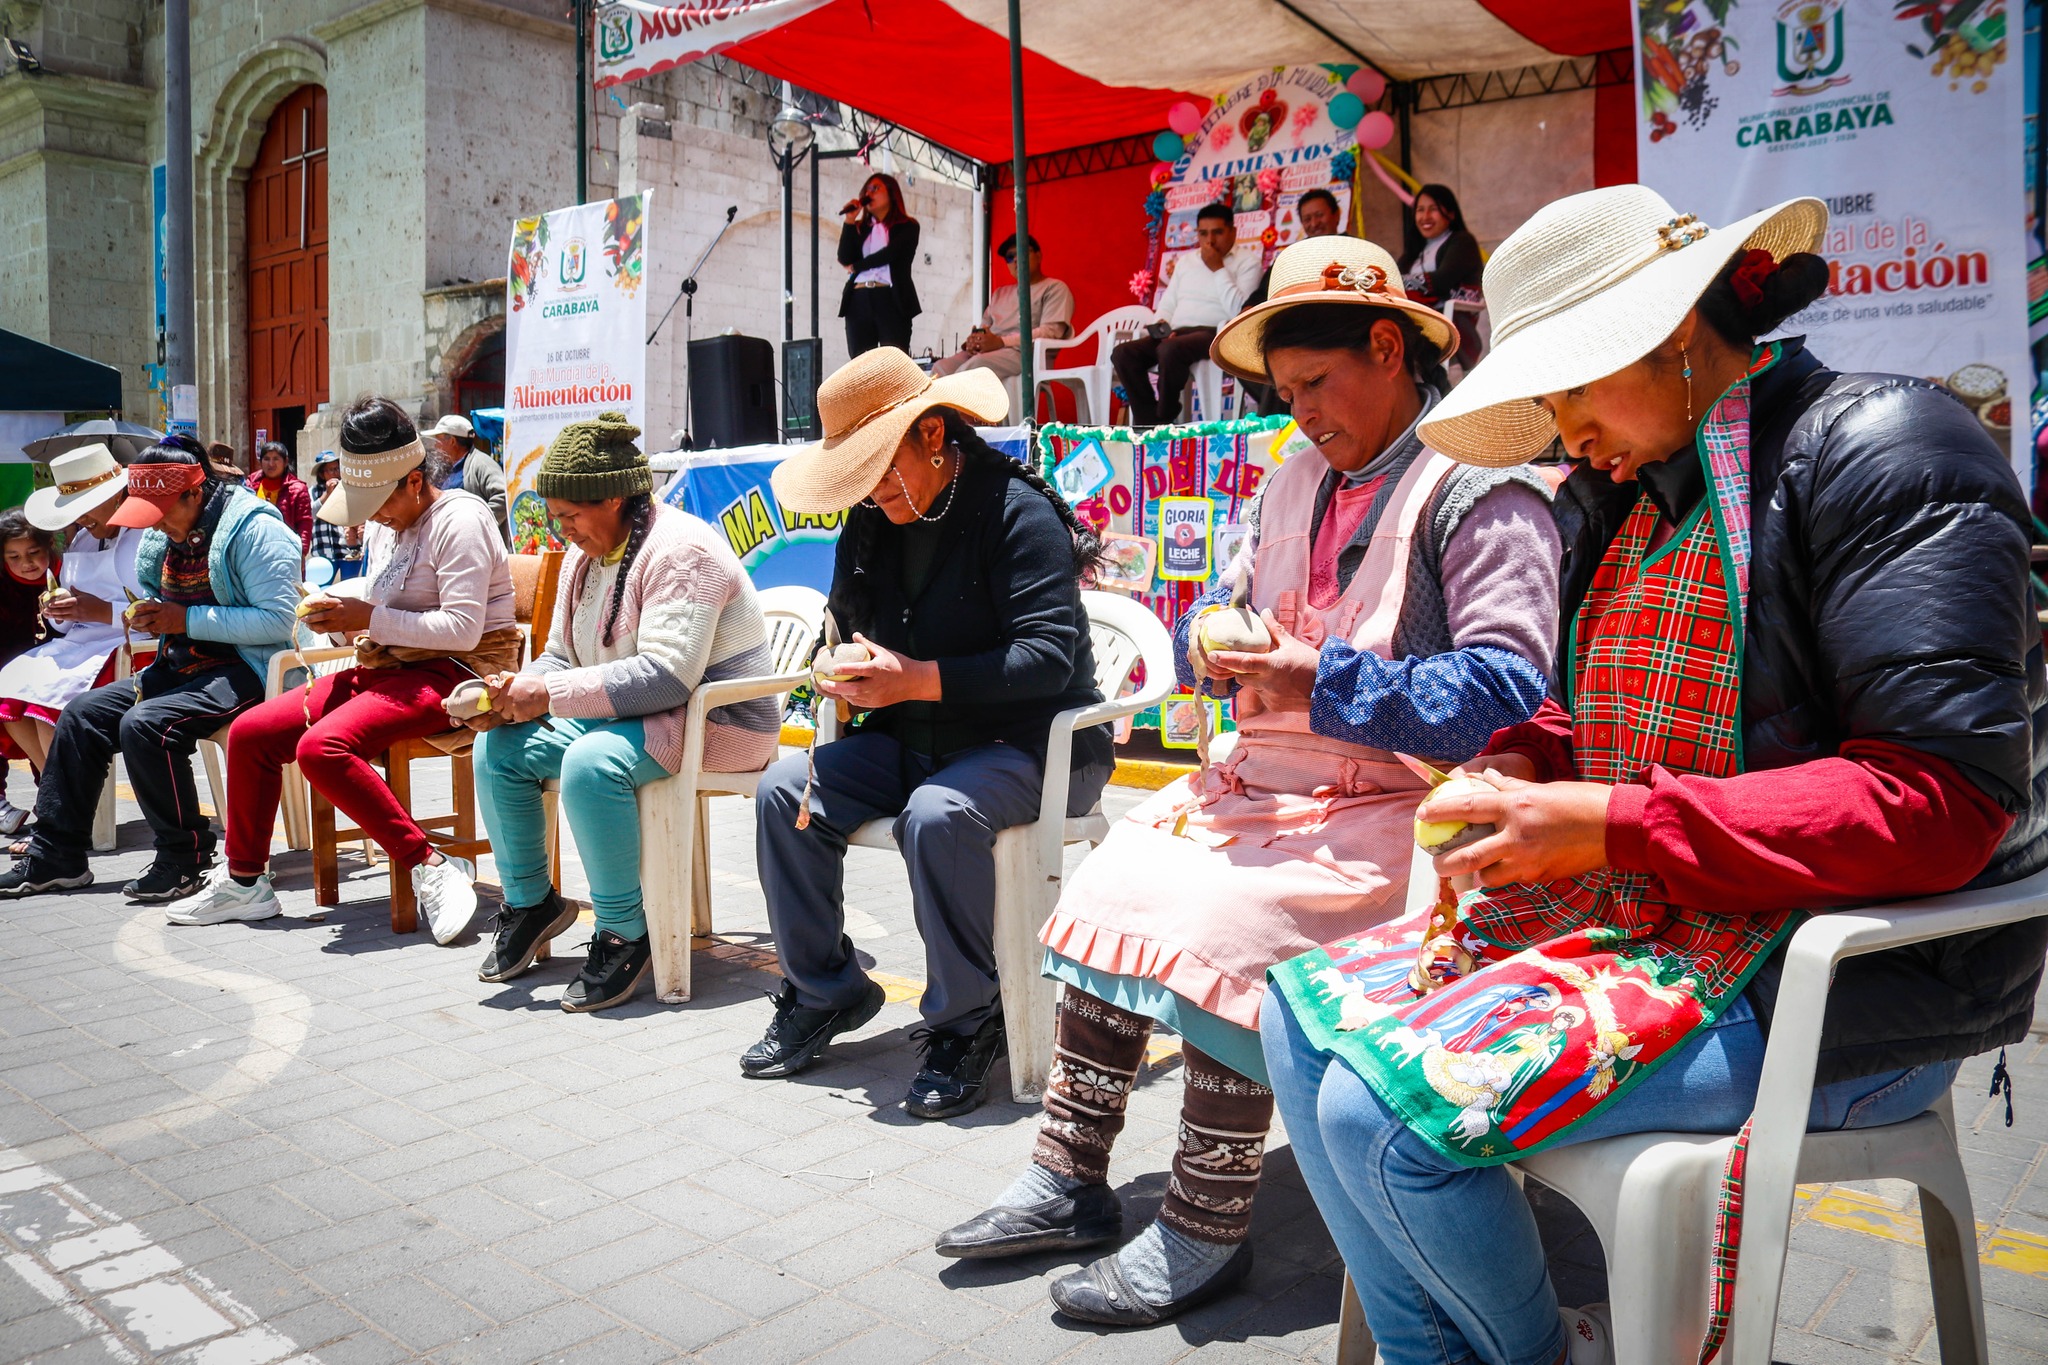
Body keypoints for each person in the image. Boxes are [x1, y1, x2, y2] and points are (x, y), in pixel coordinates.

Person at [1260, 185, 2048, 1365]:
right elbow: (1595, 716)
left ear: (1674, 332)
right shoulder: (1622, 498)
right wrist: (1531, 764)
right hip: (1668, 918)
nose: (1563, 431)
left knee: (1380, 1118)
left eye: (1573, 386)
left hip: (1851, 976)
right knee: (1295, 1018)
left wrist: (1614, 825)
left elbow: (1937, 802)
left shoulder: (1884, 451)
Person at [941, 237, 1562, 1324]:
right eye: (1284, 394)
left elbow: (1506, 692)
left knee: (1227, 922)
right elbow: (1228, 609)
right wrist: (1210, 646)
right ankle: (1068, 1176)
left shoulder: (1482, 494)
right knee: (1117, 877)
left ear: (1387, 345)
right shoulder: (1292, 480)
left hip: (1407, 809)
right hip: (1270, 788)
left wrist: (1315, 675)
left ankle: (1203, 1220)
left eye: (1316, 385)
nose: (1303, 413)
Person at [744, 348, 1113, 1118]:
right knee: (785, 789)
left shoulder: (1017, 512)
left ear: (935, 434)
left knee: (938, 814)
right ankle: (825, 990)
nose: (873, 490)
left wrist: (918, 677)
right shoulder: (874, 522)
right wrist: (837, 664)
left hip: (1035, 746)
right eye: (859, 475)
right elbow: (846, 626)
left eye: (882, 467)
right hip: (920, 739)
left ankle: (966, 1020)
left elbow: (1047, 659)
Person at [171, 397, 519, 938]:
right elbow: (378, 597)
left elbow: (463, 630)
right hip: (390, 669)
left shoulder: (461, 519)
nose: (372, 516)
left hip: (456, 674)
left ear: (412, 480)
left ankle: (432, 867)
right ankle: (245, 882)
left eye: (378, 501)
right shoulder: (388, 524)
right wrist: (335, 611)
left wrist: (369, 618)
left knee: (320, 747)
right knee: (251, 732)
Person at [465, 413, 780, 1011]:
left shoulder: (682, 552)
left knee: (591, 762)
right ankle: (531, 902)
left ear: (613, 496)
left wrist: (547, 695)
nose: (562, 531)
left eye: (571, 516)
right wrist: (510, 693)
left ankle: (622, 932)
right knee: (499, 747)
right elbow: (560, 656)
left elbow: (666, 678)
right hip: (641, 718)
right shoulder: (587, 558)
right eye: (556, 517)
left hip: (720, 723)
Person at [0, 436, 299, 902]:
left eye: (160, 514)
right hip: (181, 663)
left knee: (146, 724)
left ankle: (185, 858)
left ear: (193, 495)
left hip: (247, 669)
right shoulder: (161, 531)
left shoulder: (257, 530)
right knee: (82, 715)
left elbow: (280, 619)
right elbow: (150, 594)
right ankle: (56, 856)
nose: (154, 527)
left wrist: (185, 619)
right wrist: (146, 614)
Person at [0, 445, 154, 797]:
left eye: (86, 508)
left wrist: (99, 612)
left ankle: (62, 808)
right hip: (78, 645)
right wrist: (60, 612)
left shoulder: (144, 538)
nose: (80, 518)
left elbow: (157, 616)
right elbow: (69, 623)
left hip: (127, 650)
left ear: (116, 495)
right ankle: (58, 798)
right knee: (10, 689)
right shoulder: (82, 540)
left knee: (44, 705)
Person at [1113, 203, 1259, 426]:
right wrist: (1161, 324)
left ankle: (1165, 415)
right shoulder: (1186, 262)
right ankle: (1147, 421)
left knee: (1170, 349)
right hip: (1176, 334)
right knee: (1123, 353)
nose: (1209, 241)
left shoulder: (1248, 262)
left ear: (1233, 232)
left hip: (1214, 332)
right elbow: (1168, 302)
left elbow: (1240, 311)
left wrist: (1218, 268)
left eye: (1217, 232)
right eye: (1203, 233)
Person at [931, 234, 1075, 381]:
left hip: (1025, 354)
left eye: (1022, 252)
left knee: (976, 367)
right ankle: (947, 403)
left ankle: (957, 403)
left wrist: (1001, 342)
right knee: (941, 368)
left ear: (1038, 256)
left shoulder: (1054, 288)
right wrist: (975, 342)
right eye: (1010, 257)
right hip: (990, 352)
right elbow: (984, 328)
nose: (1016, 259)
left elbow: (1051, 332)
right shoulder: (1000, 293)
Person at [0, 511, 55, 833]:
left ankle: (49, 797)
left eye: (34, 553)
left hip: (51, 673)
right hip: (7, 667)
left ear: (49, 545)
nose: (26, 563)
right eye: (14, 556)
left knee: (41, 718)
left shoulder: (65, 576)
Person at [838, 173, 921, 357]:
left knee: (893, 362)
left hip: (890, 297)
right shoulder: (860, 228)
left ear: (891, 193)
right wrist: (850, 221)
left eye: (875, 188)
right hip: (859, 298)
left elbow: (890, 254)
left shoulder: (908, 226)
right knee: (860, 365)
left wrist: (857, 266)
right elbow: (844, 258)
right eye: (866, 189)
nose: (869, 193)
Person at [423, 414, 511, 546]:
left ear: (452, 441)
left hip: (476, 547)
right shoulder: (442, 469)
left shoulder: (481, 464)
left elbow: (504, 497)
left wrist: (476, 525)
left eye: (438, 441)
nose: (436, 446)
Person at [1396, 183, 1482, 307]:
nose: (1425, 217)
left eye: (1433, 209)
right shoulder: (1414, 250)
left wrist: (1398, 282)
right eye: (1420, 210)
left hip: (1449, 321)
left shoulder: (1463, 241)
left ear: (1451, 214)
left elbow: (1442, 280)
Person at [245, 440, 313, 555]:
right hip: (255, 551)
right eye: (266, 459)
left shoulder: (297, 489)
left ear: (285, 462)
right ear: (260, 462)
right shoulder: (250, 485)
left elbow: (304, 523)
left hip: (286, 552)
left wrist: (302, 553)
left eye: (276, 459)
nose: (271, 464)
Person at [306, 450, 365, 581]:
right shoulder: (313, 492)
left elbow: (361, 513)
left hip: (349, 551)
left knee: (349, 589)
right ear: (322, 474)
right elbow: (311, 514)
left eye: (337, 469)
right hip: (323, 552)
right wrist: (327, 494)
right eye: (330, 470)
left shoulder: (351, 488)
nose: (335, 473)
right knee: (322, 592)